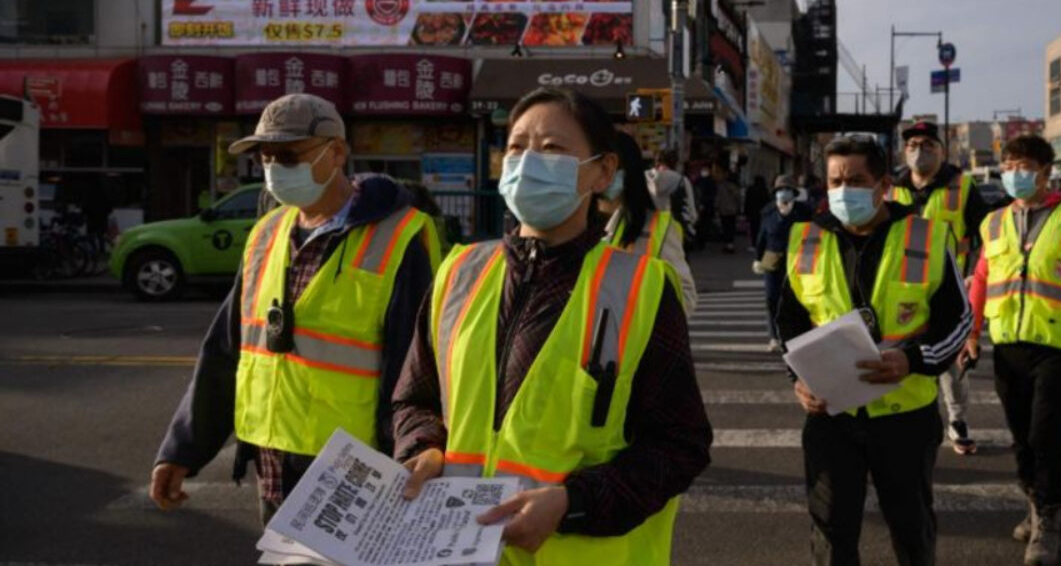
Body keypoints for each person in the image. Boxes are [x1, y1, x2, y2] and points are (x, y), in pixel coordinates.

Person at [392, 87, 711, 565]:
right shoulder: (459, 273)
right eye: (517, 147)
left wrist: (573, 504)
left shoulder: (641, 288)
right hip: (456, 549)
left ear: (602, 172)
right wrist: (424, 446)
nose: (528, 162)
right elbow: (414, 397)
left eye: (553, 149)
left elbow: (678, 445)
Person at [149, 94, 444, 527]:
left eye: (288, 155)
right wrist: (183, 450)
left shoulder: (399, 237)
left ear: (337, 151)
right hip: (272, 468)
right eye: (265, 158)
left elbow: (415, 371)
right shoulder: (268, 232)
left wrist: (406, 457)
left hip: (356, 475)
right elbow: (227, 351)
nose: (274, 170)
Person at [776, 137, 972, 566]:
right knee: (830, 532)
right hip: (830, 415)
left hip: (904, 417)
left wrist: (914, 361)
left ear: (884, 184)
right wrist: (798, 379)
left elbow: (959, 320)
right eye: (834, 181)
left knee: (911, 527)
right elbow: (788, 320)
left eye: (856, 180)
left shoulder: (927, 235)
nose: (843, 190)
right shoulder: (806, 238)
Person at [966, 134, 1061, 566]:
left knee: (1046, 432)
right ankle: (1032, 501)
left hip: (1059, 344)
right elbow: (981, 279)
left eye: (1025, 166)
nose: (1015, 174)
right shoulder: (993, 221)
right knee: (1020, 434)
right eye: (1009, 166)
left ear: (1047, 171)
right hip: (1009, 341)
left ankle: (1049, 517)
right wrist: (972, 334)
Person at [887, 120, 989, 456]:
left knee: (951, 362)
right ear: (905, 150)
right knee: (903, 359)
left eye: (928, 144)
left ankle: (957, 421)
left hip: (948, 287)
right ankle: (903, 423)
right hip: (900, 291)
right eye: (913, 144)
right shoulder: (891, 188)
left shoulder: (961, 187)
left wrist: (976, 272)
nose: (920, 150)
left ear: (942, 151)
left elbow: (987, 235)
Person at [600, 130, 697, 311]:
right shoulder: (573, 223)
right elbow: (691, 211)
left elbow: (685, 296)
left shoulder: (654, 228)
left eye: (608, 167)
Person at [752, 175, 812, 352]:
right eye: (780, 191)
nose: (783, 194)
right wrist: (757, 257)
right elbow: (761, 237)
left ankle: (797, 335)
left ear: (794, 193)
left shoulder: (804, 212)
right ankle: (773, 337)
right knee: (772, 299)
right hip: (772, 258)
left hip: (798, 260)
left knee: (797, 299)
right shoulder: (768, 212)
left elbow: (812, 236)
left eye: (787, 190)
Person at [646, 148, 698, 248]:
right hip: (675, 231)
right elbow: (691, 211)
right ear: (675, 163)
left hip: (649, 232)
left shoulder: (645, 178)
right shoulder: (682, 180)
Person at [715, 165, 741, 253]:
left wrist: (717, 207)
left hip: (723, 210)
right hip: (733, 210)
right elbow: (738, 198)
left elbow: (718, 198)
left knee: (725, 227)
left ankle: (727, 245)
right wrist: (738, 207)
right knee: (731, 227)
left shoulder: (721, 186)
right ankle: (730, 244)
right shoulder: (735, 187)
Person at [744, 175, 770, 246]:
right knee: (761, 228)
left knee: (753, 229)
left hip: (752, 212)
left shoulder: (750, 189)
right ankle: (761, 242)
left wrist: (746, 212)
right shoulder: (764, 190)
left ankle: (754, 243)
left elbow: (747, 202)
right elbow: (767, 202)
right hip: (762, 213)